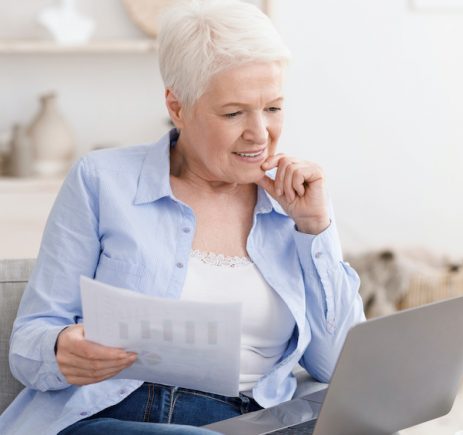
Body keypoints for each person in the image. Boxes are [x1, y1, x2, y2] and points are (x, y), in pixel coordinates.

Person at [0, 1, 365, 433]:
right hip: (111, 415)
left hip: (243, 421)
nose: (260, 133)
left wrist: (314, 228)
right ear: (177, 106)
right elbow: (29, 344)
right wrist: (62, 348)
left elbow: (338, 364)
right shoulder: (101, 180)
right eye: (233, 113)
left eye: (273, 107)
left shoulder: (297, 200)